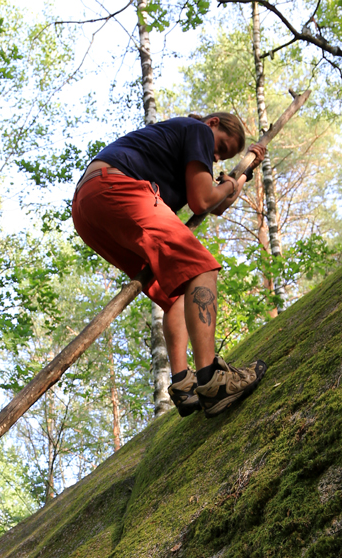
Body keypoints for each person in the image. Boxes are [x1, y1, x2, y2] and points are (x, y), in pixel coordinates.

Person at [72, 112, 268, 418]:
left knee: (175, 293)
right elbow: (203, 201)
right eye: (221, 147)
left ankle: (184, 385)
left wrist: (242, 175)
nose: (216, 156)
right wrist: (228, 185)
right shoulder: (197, 130)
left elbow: (213, 206)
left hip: (89, 208)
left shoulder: (183, 148)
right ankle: (211, 380)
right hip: (117, 187)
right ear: (213, 122)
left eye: (223, 156)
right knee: (201, 268)